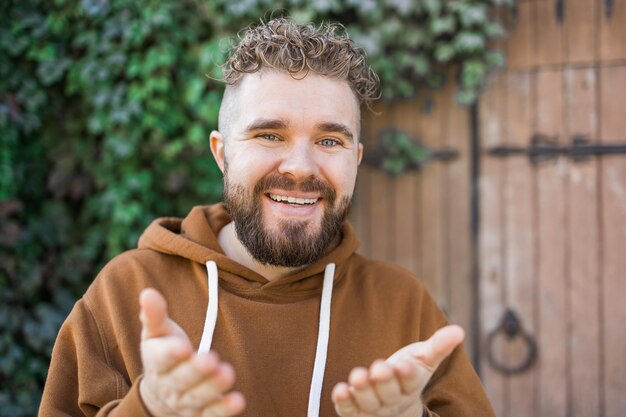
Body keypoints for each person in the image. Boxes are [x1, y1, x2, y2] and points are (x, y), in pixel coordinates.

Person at [40, 18, 495, 417]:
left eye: (330, 141)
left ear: (355, 160)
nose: (300, 166)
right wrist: (152, 409)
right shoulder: (127, 294)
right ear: (222, 153)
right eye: (270, 134)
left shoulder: (405, 308)